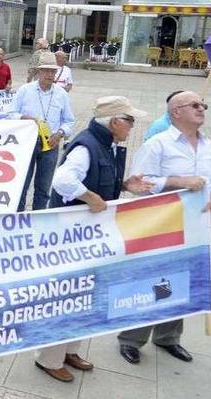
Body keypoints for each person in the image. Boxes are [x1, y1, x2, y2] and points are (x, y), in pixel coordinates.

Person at [45, 95, 151, 382]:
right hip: (71, 236)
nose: (132, 126)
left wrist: (124, 185)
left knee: (85, 294)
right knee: (66, 296)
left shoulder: (106, 144)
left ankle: (70, 349)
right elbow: (63, 180)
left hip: (90, 236)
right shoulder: (88, 145)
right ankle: (49, 358)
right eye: (129, 121)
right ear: (115, 122)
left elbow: (99, 181)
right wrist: (90, 197)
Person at [117, 90, 211, 365]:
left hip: (194, 228)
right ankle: (131, 339)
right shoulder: (158, 144)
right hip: (161, 225)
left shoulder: (210, 146)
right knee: (151, 281)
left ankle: (168, 337)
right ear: (176, 112)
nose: (202, 109)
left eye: (203, 105)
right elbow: (140, 184)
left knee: (181, 282)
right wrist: (179, 181)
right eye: (195, 105)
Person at [8, 52, 75, 211]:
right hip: (27, 143)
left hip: (51, 144)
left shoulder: (61, 94)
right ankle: (18, 219)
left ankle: (38, 220)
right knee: (22, 184)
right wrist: (25, 118)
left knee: (44, 187)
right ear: (38, 71)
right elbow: (10, 114)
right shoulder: (25, 90)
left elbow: (70, 121)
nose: (50, 74)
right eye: (46, 71)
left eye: (53, 71)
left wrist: (59, 134)